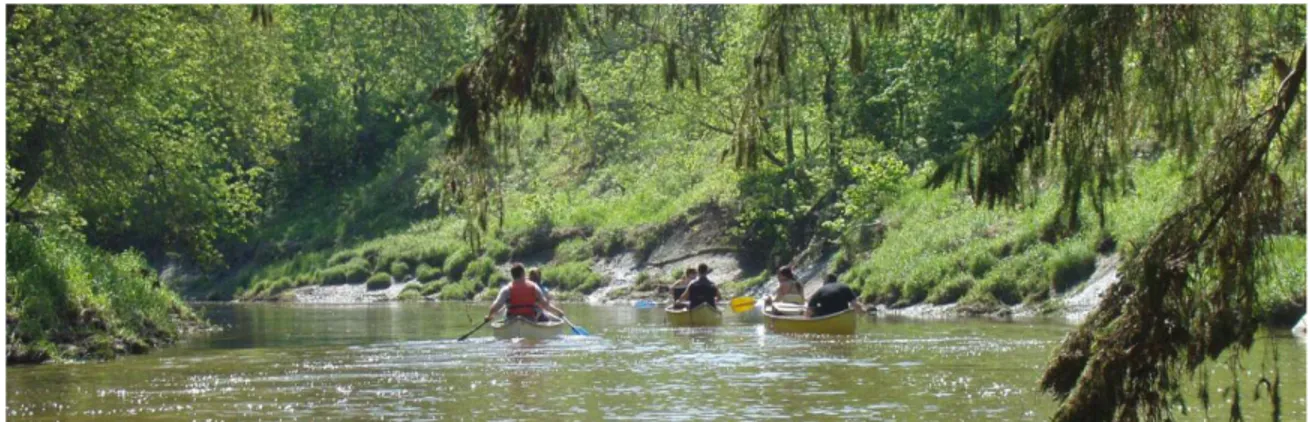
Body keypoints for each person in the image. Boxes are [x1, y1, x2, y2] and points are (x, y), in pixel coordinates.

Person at [485, 263, 566, 323]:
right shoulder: (534, 287)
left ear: (512, 275)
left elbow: (496, 306)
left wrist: (489, 316)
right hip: (530, 319)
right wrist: (559, 312)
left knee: (505, 314)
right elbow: (545, 305)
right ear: (523, 274)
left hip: (512, 320)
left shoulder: (506, 289)